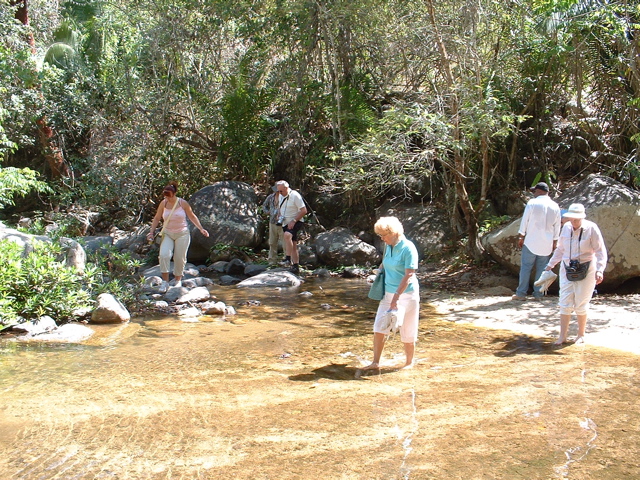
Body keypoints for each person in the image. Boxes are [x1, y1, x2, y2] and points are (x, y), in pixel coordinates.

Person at [543, 203, 607, 345]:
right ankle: (562, 336)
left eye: (577, 219)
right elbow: (560, 249)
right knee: (564, 301)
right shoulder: (566, 228)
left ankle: (581, 334)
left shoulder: (591, 228)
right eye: (572, 219)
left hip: (587, 268)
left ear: (582, 217)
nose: (574, 222)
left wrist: (600, 270)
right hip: (567, 268)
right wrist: (549, 266)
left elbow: (600, 252)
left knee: (581, 302)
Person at [363, 216, 420, 371]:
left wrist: (396, 298)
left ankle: (409, 363)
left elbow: (409, 275)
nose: (382, 238)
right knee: (379, 327)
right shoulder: (388, 246)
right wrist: (378, 272)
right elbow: (385, 262)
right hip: (387, 294)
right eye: (379, 236)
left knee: (408, 329)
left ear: (394, 233)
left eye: (384, 235)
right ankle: (375, 362)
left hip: (407, 295)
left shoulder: (408, 248)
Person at [146, 182, 209, 293]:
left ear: (174, 194)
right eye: (165, 196)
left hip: (182, 233)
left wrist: (201, 229)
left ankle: (178, 280)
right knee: (164, 255)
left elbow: (192, 216)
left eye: (169, 196)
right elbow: (156, 218)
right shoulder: (163, 203)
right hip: (168, 233)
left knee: (179, 257)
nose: (167, 198)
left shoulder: (182, 203)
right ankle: (165, 282)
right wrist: (151, 232)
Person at [514, 182, 561, 301]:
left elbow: (525, 220)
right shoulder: (555, 206)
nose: (534, 193)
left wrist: (521, 236)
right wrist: (555, 242)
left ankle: (521, 293)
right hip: (547, 243)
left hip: (531, 241)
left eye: (535, 191)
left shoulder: (532, 203)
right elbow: (557, 226)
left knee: (526, 268)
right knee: (542, 269)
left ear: (539, 191)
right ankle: (538, 294)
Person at [275, 180, 307, 275]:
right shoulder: (281, 195)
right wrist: (279, 215)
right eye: (278, 191)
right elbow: (281, 208)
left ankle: (287, 259)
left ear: (286, 188)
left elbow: (304, 210)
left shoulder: (295, 195)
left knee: (287, 235)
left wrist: (294, 220)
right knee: (293, 244)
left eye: (281, 191)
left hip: (296, 221)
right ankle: (296, 266)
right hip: (285, 222)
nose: (280, 193)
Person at [262, 184, 284, 265]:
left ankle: (287, 260)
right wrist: (267, 212)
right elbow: (264, 206)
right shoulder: (270, 197)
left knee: (284, 242)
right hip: (272, 222)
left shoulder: (285, 197)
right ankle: (272, 261)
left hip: (282, 223)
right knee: (272, 242)